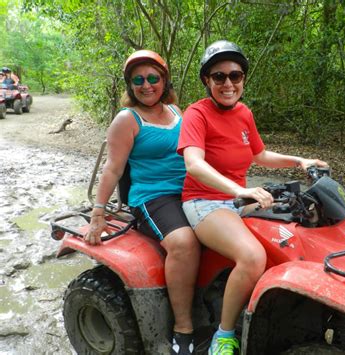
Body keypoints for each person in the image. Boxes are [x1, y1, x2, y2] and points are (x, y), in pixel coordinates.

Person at [177, 40, 329, 355]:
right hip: (204, 202)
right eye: (219, 76)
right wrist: (239, 190)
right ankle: (224, 335)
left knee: (297, 238)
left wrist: (299, 161)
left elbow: (260, 154)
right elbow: (194, 163)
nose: (228, 83)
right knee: (252, 257)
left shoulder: (244, 113)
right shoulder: (197, 113)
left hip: (237, 201)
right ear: (207, 80)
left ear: (243, 78)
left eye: (235, 75)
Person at [85, 50, 200, 355]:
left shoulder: (177, 111)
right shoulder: (127, 119)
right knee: (183, 242)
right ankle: (184, 327)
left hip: (191, 188)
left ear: (165, 81)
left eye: (153, 78)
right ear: (129, 84)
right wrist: (99, 212)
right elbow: (113, 168)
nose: (146, 85)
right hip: (153, 196)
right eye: (138, 79)